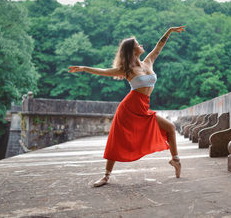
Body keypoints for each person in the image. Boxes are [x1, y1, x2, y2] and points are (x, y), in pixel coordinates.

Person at [68, 26, 185, 187]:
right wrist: (84, 68)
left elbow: (159, 46)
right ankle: (106, 176)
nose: (141, 45)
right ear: (132, 50)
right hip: (128, 109)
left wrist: (170, 31)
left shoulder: (148, 62)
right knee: (117, 140)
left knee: (170, 127)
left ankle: (175, 160)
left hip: (143, 108)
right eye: (138, 43)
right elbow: (103, 71)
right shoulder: (127, 70)